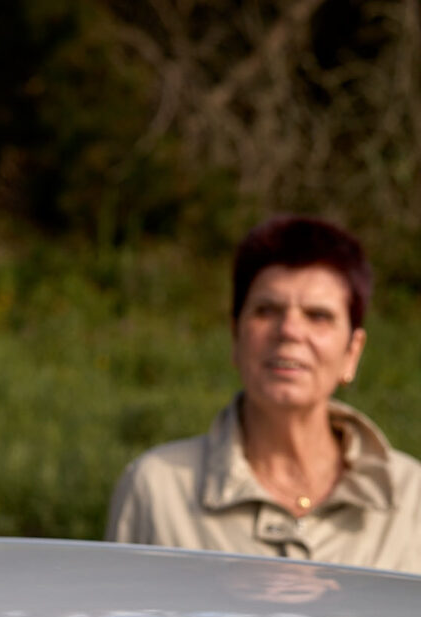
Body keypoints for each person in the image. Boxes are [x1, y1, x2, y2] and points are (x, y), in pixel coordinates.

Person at [106, 215, 421, 573]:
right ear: (235, 337)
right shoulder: (157, 489)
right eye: (266, 310)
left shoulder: (412, 501)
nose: (289, 330)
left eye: (317, 316)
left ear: (352, 352)